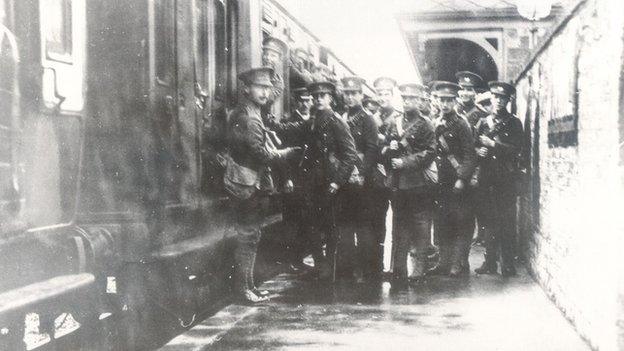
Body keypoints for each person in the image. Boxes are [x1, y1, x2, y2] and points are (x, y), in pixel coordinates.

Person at [266, 81, 359, 281]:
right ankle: (320, 265)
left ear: (330, 99)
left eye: (322, 96)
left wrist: (337, 182)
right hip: (313, 183)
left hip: (330, 184)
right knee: (311, 225)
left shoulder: (336, 121)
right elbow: (291, 129)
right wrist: (272, 123)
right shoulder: (313, 121)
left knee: (331, 227)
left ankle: (330, 271)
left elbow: (350, 155)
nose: (317, 99)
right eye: (315, 96)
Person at [226, 67, 300, 303]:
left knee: (252, 236)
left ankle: (249, 286)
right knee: (247, 237)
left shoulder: (251, 111)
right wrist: (285, 153)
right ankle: (244, 289)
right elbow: (260, 154)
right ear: (247, 89)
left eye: (267, 88)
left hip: (249, 183)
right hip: (246, 185)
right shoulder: (249, 117)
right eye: (260, 87)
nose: (265, 92)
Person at [385, 83, 436, 284]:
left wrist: (405, 162)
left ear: (420, 101)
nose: (407, 102)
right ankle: (399, 270)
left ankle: (419, 269)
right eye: (404, 99)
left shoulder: (426, 125)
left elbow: (430, 152)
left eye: (412, 99)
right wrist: (390, 148)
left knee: (420, 225)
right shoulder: (394, 122)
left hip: (417, 183)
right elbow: (385, 149)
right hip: (397, 183)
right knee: (399, 225)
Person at [427, 81, 477, 277]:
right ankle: (443, 262)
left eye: (449, 100)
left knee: (461, 223)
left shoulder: (461, 123)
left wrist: (462, 179)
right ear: (437, 101)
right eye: (441, 100)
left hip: (457, 183)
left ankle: (458, 263)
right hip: (439, 182)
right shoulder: (434, 122)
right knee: (442, 222)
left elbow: (470, 155)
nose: (445, 104)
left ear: (455, 101)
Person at [474, 81, 523, 277]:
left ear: (508, 100)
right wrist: (481, 150)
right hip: (487, 179)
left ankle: (508, 263)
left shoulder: (514, 123)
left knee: (507, 221)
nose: (499, 101)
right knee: (488, 221)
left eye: (503, 98)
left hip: (506, 179)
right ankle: (490, 262)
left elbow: (516, 149)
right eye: (496, 97)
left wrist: (493, 145)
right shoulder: (483, 122)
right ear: (491, 98)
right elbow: (473, 148)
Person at [336, 76, 379, 281]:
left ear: (361, 95)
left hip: (362, 181)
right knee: (345, 225)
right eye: (347, 93)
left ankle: (367, 270)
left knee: (363, 226)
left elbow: (372, 149)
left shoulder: (368, 119)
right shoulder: (341, 116)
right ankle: (346, 269)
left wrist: (361, 173)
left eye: (354, 93)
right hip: (344, 178)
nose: (350, 97)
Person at [371, 76, 403, 278]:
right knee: (377, 221)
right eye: (379, 94)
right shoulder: (372, 118)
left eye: (386, 94)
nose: (383, 97)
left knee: (398, 222)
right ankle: (377, 265)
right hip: (376, 178)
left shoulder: (400, 118)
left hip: (396, 176)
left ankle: (395, 267)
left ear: (392, 95)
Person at [280, 87, 314, 273]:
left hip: (309, 178)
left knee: (305, 220)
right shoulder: (289, 122)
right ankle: (291, 261)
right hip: (294, 177)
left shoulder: (315, 120)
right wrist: (287, 178)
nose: (306, 103)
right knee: (292, 221)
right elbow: (283, 154)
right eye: (302, 100)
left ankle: (299, 259)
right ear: (296, 101)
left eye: (309, 100)